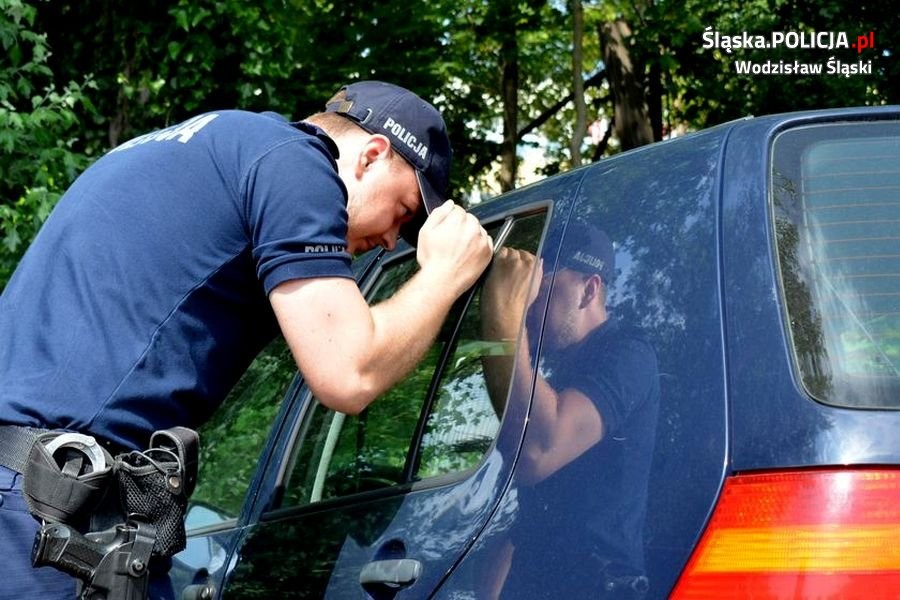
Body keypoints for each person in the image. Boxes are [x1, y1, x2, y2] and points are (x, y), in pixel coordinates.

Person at [0, 81, 493, 598]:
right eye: (404, 212)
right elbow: (349, 371)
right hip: (58, 520)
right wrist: (446, 275)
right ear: (371, 156)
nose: (394, 239)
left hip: (33, 497)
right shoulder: (298, 165)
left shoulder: (203, 144)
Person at [480, 223, 659, 599]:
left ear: (589, 290)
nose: (526, 305)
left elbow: (536, 453)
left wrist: (503, 315)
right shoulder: (555, 377)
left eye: (539, 288)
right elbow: (537, 516)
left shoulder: (629, 355)